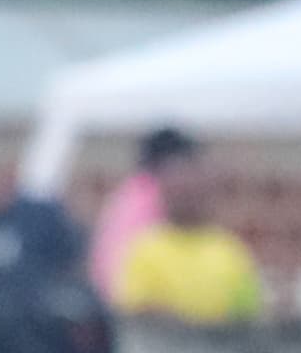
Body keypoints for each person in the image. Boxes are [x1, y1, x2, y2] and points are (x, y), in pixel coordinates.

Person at [113, 132, 265, 325]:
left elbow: (248, 315)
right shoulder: (145, 249)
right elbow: (138, 314)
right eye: (179, 190)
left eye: (193, 189)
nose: (187, 196)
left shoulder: (230, 252)